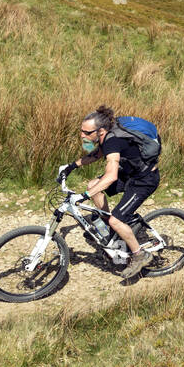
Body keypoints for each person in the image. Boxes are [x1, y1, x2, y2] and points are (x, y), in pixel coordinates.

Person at [63, 105, 159, 279]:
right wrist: (71, 167)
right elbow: (96, 155)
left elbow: (111, 176)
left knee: (115, 218)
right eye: (81, 131)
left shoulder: (113, 141)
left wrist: (84, 196)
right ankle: (111, 230)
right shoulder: (107, 136)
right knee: (93, 185)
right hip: (130, 173)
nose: (82, 135)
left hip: (144, 180)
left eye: (86, 132)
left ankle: (140, 255)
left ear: (100, 131)